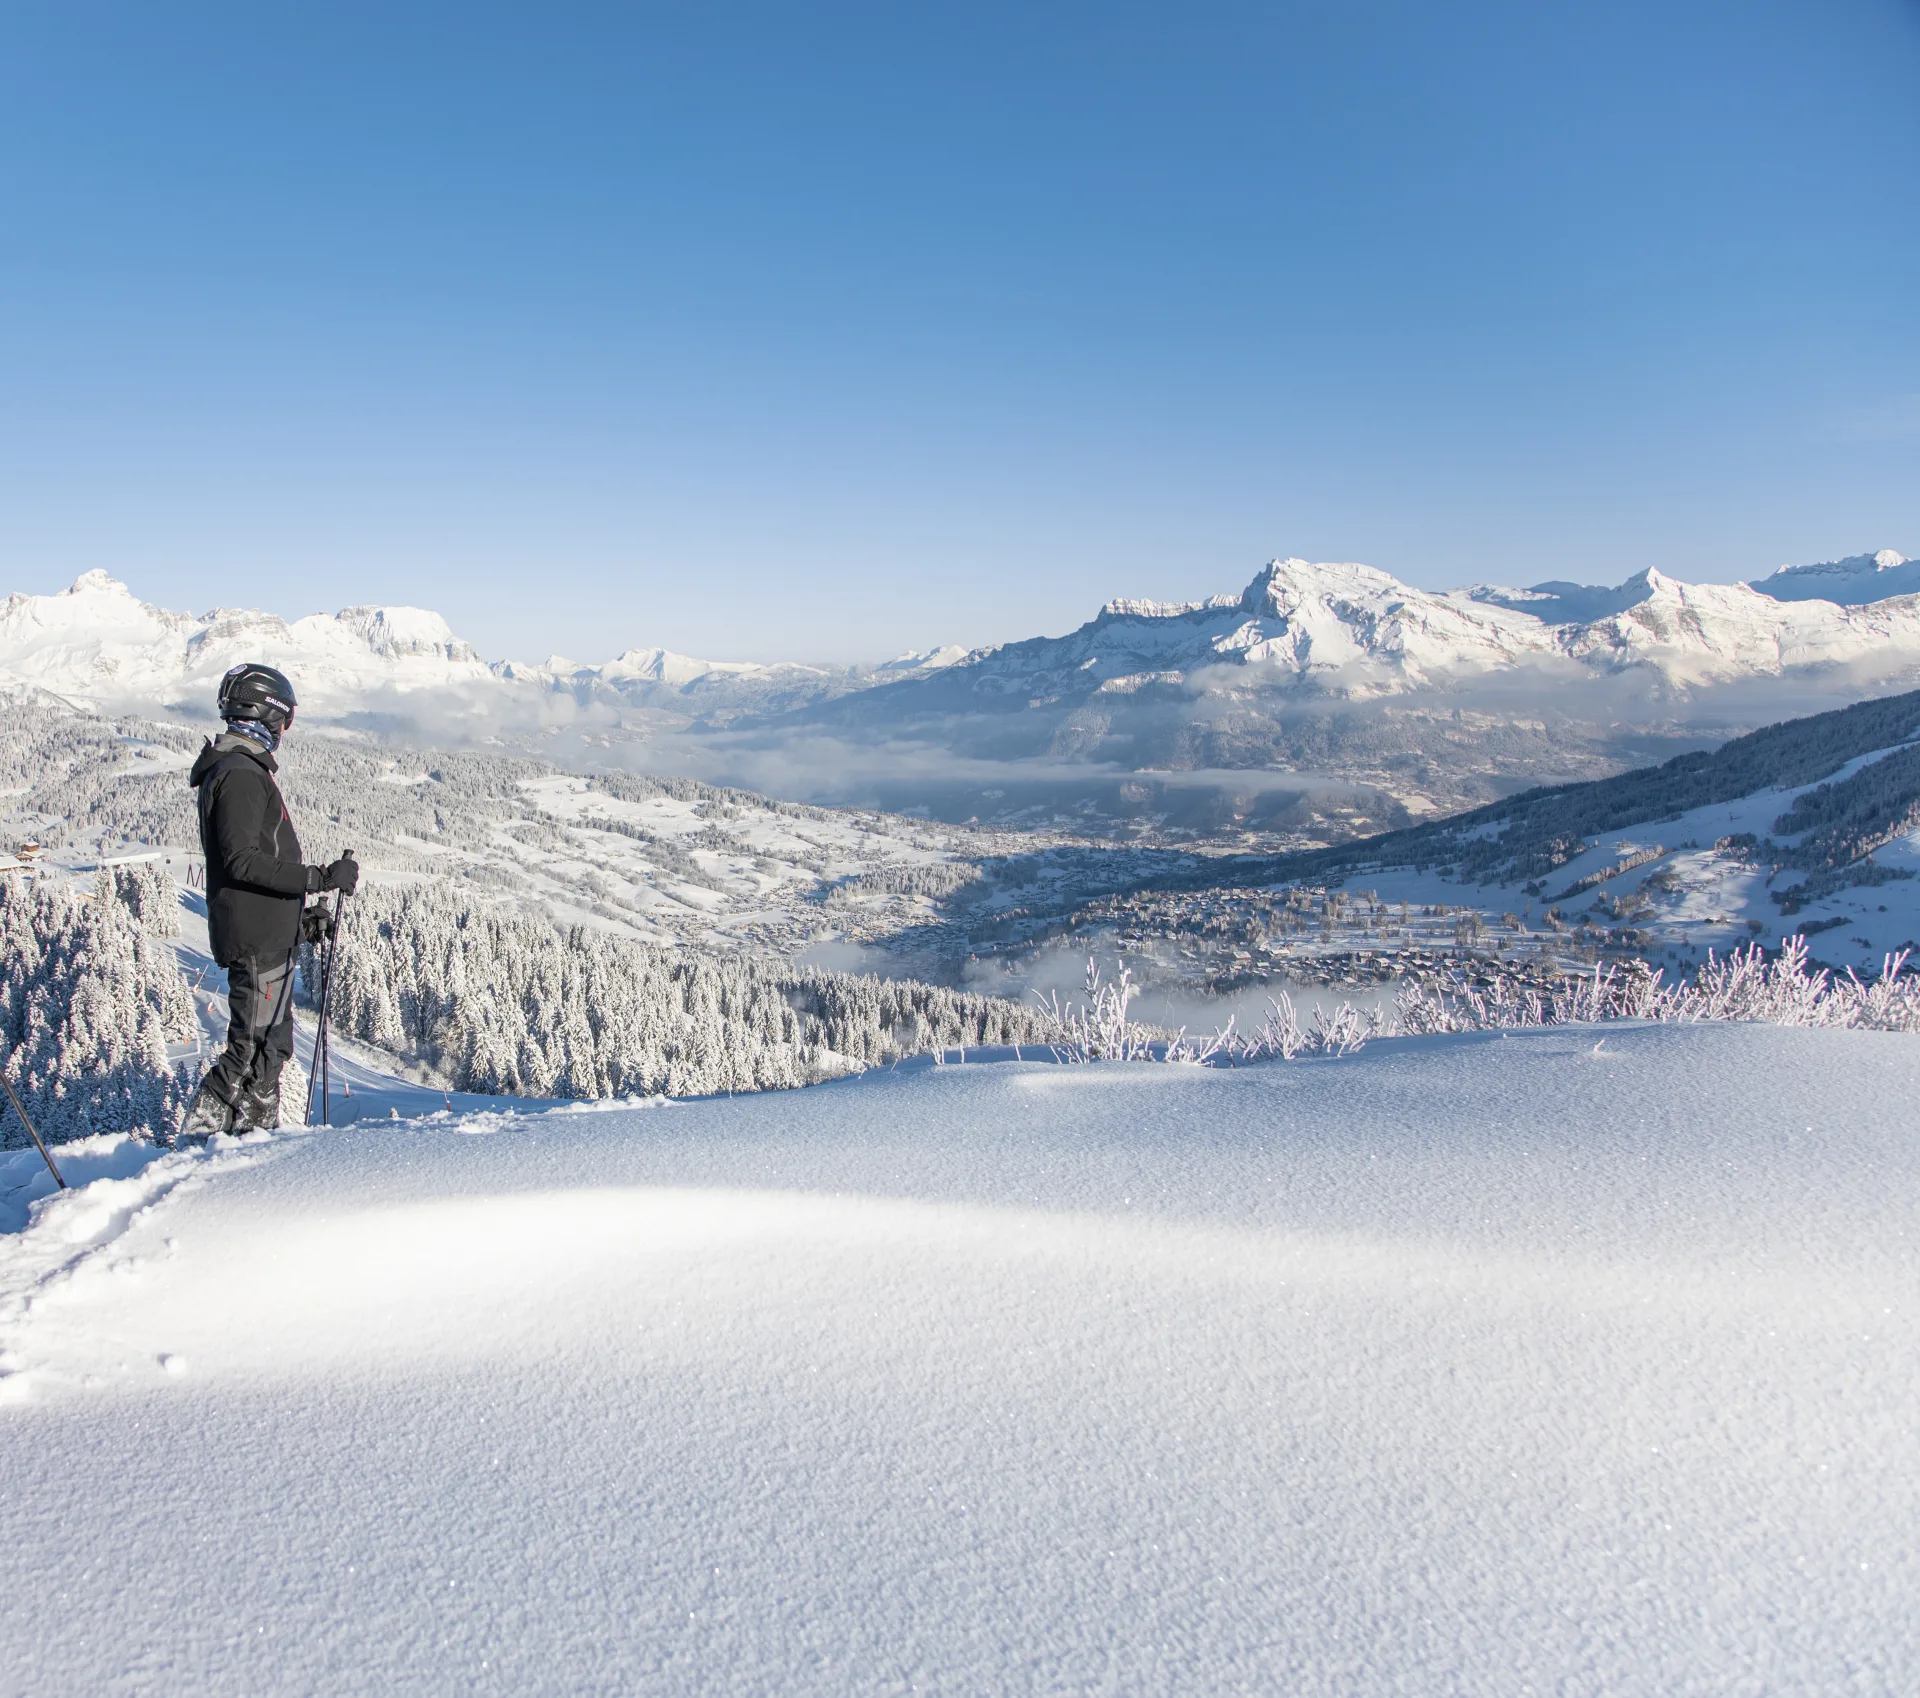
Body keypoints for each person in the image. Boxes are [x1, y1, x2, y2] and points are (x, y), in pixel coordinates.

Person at [179, 663, 358, 1139]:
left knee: (270, 1048)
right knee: (253, 1046)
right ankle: (201, 1139)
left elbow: (250, 878)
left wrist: (299, 923)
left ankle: (252, 1142)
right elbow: (242, 861)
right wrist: (320, 878)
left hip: (264, 934)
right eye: (285, 719)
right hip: (256, 941)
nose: (284, 730)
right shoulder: (238, 773)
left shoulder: (240, 767)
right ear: (268, 714)